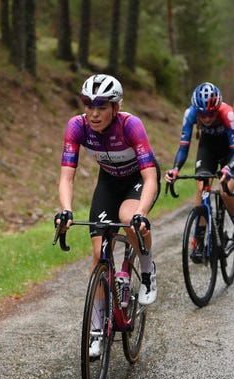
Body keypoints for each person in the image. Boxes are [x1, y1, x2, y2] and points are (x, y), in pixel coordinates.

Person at [56, 74, 160, 357]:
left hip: (138, 180)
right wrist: (66, 209)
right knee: (99, 253)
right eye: (88, 105)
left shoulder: (131, 125)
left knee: (129, 219)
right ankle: (97, 329)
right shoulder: (77, 127)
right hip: (109, 183)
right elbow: (67, 177)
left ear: (116, 107)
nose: (94, 112)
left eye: (102, 106)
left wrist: (141, 213)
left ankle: (148, 270)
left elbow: (150, 177)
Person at [164, 82, 234, 254]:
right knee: (202, 189)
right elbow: (183, 147)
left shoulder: (227, 113)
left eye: (211, 114)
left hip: (230, 150)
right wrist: (175, 169)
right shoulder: (190, 114)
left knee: (225, 190)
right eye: (203, 115)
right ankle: (199, 238)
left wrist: (228, 168)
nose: (207, 119)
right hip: (208, 147)